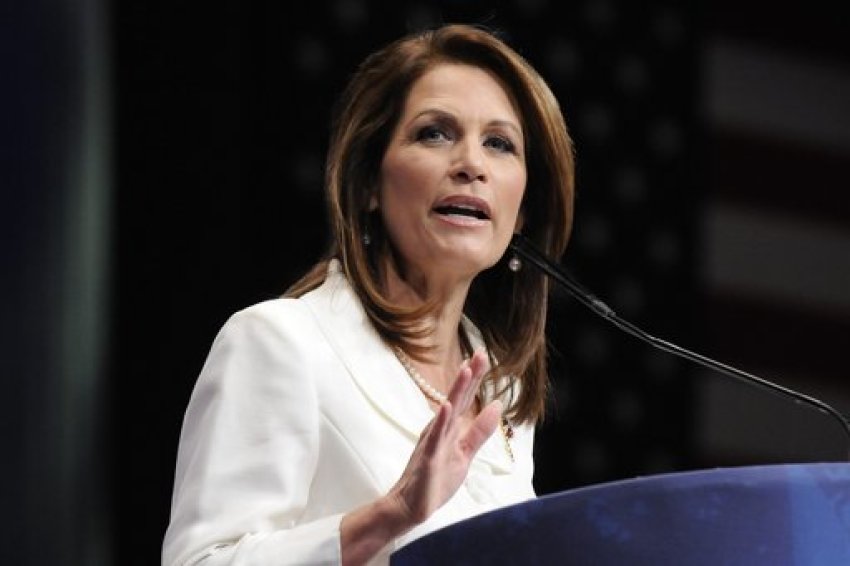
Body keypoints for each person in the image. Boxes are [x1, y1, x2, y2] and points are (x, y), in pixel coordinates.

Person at [162, 22, 574, 566]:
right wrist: (390, 515)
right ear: (367, 185)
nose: (472, 164)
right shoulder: (281, 342)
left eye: (499, 144)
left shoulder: (504, 393)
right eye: (434, 133)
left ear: (521, 211)